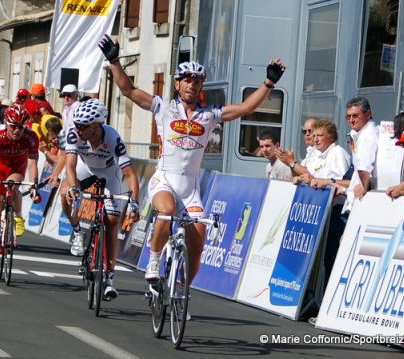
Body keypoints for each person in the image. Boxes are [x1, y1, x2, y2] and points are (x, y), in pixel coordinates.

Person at [98, 34, 285, 283]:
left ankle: (180, 292)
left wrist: (269, 82)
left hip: (191, 189)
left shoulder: (209, 115)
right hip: (164, 180)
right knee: (166, 211)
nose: (192, 85)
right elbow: (128, 90)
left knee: (197, 244)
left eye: (197, 82)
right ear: (177, 84)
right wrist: (114, 60)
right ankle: (153, 262)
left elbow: (246, 108)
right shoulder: (162, 107)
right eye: (187, 80)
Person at [60, 99, 140, 299]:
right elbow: (70, 166)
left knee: (112, 223)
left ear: (95, 127)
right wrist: (74, 189)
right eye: (76, 125)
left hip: (109, 174)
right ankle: (78, 233)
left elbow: (130, 174)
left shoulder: (113, 138)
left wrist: (134, 202)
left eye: (82, 127)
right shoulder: (74, 134)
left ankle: (110, 277)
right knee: (65, 194)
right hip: (84, 168)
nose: (77, 129)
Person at [0, 104, 40, 269]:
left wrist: (34, 184)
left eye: (21, 127)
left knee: (13, 186)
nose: (17, 130)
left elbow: (33, 164)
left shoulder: (31, 137)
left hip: (16, 167)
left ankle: (18, 216)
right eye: (13, 126)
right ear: (6, 123)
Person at [342, 97, 378, 215]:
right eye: (348, 117)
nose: (351, 120)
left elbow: (365, 166)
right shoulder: (359, 134)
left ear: (368, 114)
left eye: (355, 116)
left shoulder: (368, 136)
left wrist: (363, 187)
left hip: (360, 199)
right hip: (356, 197)